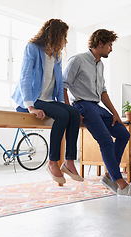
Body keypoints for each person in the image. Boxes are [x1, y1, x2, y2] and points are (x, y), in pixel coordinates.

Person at [63, 29, 131, 199]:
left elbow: (103, 92)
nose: (111, 49)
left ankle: (109, 175)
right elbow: (63, 86)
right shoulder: (77, 60)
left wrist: (115, 113)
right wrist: (70, 111)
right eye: (109, 45)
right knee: (106, 141)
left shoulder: (100, 64)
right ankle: (120, 182)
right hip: (82, 105)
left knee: (123, 133)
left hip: (96, 105)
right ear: (100, 43)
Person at [12, 19, 83, 185]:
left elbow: (58, 84)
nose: (65, 41)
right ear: (56, 35)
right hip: (31, 100)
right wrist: (30, 107)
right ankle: (52, 162)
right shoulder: (33, 49)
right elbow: (25, 78)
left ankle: (69, 161)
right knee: (63, 115)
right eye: (64, 36)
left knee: (72, 112)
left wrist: (63, 104)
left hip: (47, 100)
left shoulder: (56, 55)